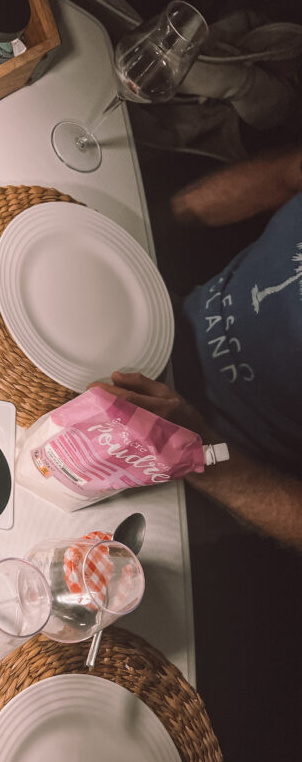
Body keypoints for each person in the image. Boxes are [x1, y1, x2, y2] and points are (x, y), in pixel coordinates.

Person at [92, 145, 302, 550]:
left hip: (215, 468)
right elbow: (286, 174)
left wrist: (199, 453)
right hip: (158, 331)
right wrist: (146, 226)